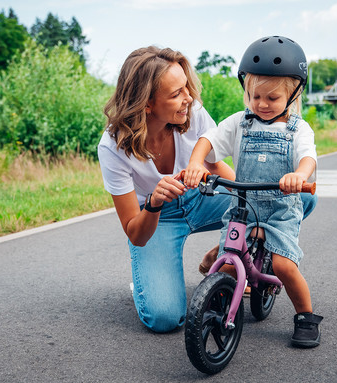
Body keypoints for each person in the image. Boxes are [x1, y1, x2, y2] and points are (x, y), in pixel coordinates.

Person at [183, 36, 323, 348]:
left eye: (271, 98)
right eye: (253, 95)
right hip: (242, 208)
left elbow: (308, 157)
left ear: (293, 94)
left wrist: (298, 175)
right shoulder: (240, 123)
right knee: (230, 263)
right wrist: (195, 163)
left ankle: (305, 316)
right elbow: (209, 139)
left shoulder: (297, 129)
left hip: (280, 210)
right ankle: (219, 298)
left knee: (285, 265)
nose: (260, 103)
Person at [97, 46, 236, 333]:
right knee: (164, 318)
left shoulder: (192, 112)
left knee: (287, 203)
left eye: (186, 87)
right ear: (146, 103)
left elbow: (216, 167)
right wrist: (154, 203)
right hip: (157, 219)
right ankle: (145, 284)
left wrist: (252, 201)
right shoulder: (112, 147)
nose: (188, 99)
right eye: (176, 94)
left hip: (201, 198)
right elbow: (135, 232)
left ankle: (224, 254)